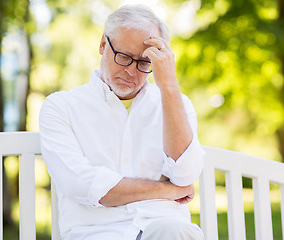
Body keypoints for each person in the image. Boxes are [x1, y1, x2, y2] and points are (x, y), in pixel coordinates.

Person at [39, 5, 205, 240]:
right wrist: (167, 190)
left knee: (176, 232)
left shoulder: (176, 103)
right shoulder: (61, 106)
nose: (131, 72)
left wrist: (168, 85)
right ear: (103, 45)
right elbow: (81, 184)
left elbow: (185, 175)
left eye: (144, 63)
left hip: (162, 229)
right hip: (97, 233)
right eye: (124, 57)